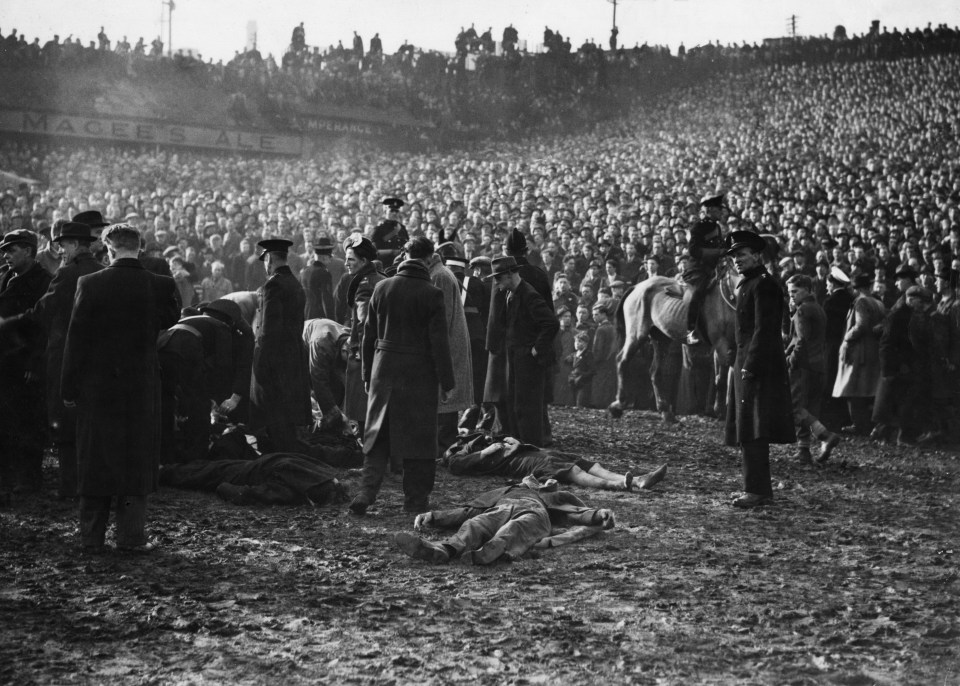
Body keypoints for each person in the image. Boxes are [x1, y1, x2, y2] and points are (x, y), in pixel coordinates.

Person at [61, 223, 180, 552]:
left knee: (96, 461)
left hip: (97, 389)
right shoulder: (161, 284)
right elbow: (170, 319)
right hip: (140, 389)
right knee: (134, 464)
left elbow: (76, 341)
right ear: (140, 248)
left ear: (108, 250)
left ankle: (91, 540)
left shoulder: (90, 283)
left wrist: (69, 389)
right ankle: (130, 539)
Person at [350, 238, 455, 515]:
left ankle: (366, 492)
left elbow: (367, 335)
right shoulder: (432, 293)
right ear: (430, 259)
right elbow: (439, 343)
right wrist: (447, 382)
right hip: (419, 374)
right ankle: (415, 500)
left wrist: (366, 373)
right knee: (419, 440)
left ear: (404, 255)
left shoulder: (382, 287)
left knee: (377, 434)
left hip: (383, 369)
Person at [29, 221, 103, 497]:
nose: (60, 251)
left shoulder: (66, 274)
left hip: (64, 359)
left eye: (62, 246)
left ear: (74, 245)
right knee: (90, 423)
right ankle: (91, 483)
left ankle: (68, 486)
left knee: (64, 423)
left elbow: (43, 311)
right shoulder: (102, 271)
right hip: (96, 362)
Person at [393, 476, 617, 566]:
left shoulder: (547, 496)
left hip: (534, 513)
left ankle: (492, 550)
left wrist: (597, 514)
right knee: (475, 523)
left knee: (514, 529)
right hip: (500, 508)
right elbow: (468, 511)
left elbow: (574, 511)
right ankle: (445, 549)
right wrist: (433, 516)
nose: (533, 480)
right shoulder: (502, 492)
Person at [724, 231, 795, 509]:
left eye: (741, 255)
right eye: (733, 257)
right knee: (748, 425)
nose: (737, 261)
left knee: (754, 426)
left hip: (759, 365)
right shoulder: (751, 283)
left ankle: (757, 491)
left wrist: (750, 365)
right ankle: (754, 488)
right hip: (747, 361)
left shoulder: (764, 285)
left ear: (756, 255)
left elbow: (764, 332)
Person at [157, 299, 254, 463]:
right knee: (199, 405)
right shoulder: (221, 327)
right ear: (229, 320)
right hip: (186, 350)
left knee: (166, 403)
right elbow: (222, 367)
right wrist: (215, 399)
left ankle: (166, 453)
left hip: (162, 346)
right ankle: (197, 456)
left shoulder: (188, 319)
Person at [0, 229, 52, 495]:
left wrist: (35, 363)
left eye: (12, 250)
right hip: (4, 362)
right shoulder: (5, 276)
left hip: (26, 364)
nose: (6, 256)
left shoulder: (45, 282)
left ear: (29, 252)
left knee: (28, 422)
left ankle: (29, 478)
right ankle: (7, 475)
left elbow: (45, 327)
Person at [487, 256, 559, 446]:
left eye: (499, 277)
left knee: (527, 408)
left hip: (528, 361)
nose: (496, 282)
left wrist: (537, 348)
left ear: (510, 274)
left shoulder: (529, 294)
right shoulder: (513, 293)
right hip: (516, 359)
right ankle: (521, 448)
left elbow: (551, 323)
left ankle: (531, 450)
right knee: (517, 405)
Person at [249, 238, 312, 454]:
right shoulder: (295, 283)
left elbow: (267, 331)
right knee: (286, 419)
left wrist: (260, 364)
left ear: (269, 259)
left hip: (274, 361)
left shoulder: (272, 285)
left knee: (271, 417)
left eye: (265, 261)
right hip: (292, 358)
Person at [443, 433, 668, 492]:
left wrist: (511, 441)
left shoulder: (478, 435)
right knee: (570, 470)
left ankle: (638, 480)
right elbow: (456, 465)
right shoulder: (456, 452)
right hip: (517, 465)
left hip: (530, 453)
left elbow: (498, 440)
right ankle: (618, 485)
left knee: (583, 462)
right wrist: (486, 452)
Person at [785, 274, 841, 464]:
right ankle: (804, 451)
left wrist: (790, 359)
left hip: (803, 366)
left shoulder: (803, 310)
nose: (791, 296)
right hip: (819, 365)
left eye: (795, 291)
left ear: (808, 290)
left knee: (794, 407)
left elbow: (801, 341)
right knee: (809, 409)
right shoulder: (818, 308)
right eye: (789, 292)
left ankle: (825, 436)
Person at [428, 243, 473, 456]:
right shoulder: (440, 273)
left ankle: (443, 448)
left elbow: (441, 319)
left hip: (448, 344)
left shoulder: (439, 276)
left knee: (445, 396)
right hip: (449, 343)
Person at [832, 273, 885, 435]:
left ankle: (859, 425)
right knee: (867, 388)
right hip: (872, 349)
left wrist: (847, 337)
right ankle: (867, 424)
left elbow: (861, 325)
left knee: (852, 388)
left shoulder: (861, 302)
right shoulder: (878, 302)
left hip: (858, 351)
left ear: (858, 289)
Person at [341, 234, 385, 429]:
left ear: (364, 261)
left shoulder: (364, 285)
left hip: (364, 356)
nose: (346, 263)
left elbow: (364, 325)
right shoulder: (382, 279)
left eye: (351, 259)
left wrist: (361, 357)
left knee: (362, 412)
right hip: (381, 352)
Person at [302, 317, 350, 432]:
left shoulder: (350, 336)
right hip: (302, 347)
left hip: (323, 337)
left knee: (336, 391)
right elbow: (318, 381)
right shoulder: (321, 343)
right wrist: (333, 413)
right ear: (344, 350)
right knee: (313, 393)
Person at [684, 215, 726, 345]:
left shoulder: (717, 230)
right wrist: (718, 252)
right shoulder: (696, 232)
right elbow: (695, 251)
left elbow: (722, 246)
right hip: (697, 270)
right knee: (697, 292)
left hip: (713, 270)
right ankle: (691, 330)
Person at [301, 235, 336, 320]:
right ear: (324, 257)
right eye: (330, 256)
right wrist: (332, 320)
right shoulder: (324, 273)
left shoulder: (304, 271)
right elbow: (327, 300)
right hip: (319, 317)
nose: (331, 259)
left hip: (305, 316)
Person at [371, 197, 409, 266]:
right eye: (392, 211)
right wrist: (392, 252)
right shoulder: (379, 229)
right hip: (386, 265)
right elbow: (374, 251)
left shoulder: (402, 228)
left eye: (396, 211)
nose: (394, 213)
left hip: (402, 264)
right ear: (385, 211)